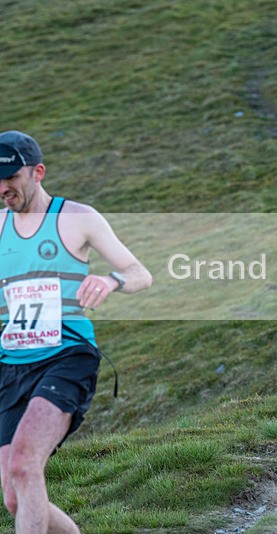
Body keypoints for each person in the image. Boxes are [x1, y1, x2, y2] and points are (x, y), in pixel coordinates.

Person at [0, 130, 152, 533]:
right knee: (16, 497)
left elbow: (141, 273)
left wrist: (111, 281)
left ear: (38, 172)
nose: (3, 188)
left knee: (24, 463)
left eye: (11, 177)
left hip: (67, 357)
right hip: (11, 365)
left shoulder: (76, 218)